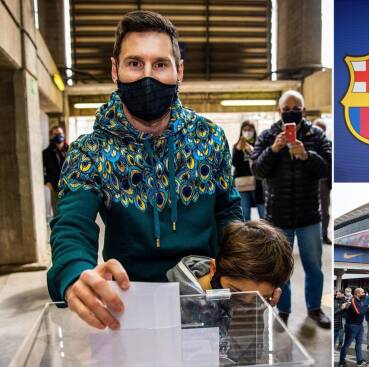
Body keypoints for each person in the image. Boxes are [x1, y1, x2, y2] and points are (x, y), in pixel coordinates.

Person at [47, 11, 243, 330]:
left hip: (206, 294)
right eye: (135, 63)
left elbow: (227, 211)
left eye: (160, 64)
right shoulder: (90, 151)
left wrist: (244, 266)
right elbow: (72, 225)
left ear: (179, 71)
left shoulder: (209, 138)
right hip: (127, 305)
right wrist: (74, 273)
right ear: (115, 69)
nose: (148, 76)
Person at [250, 90, 332, 328]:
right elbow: (257, 169)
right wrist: (274, 150)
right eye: (286, 109)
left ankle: (315, 309)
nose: (290, 113)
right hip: (278, 216)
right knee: (281, 269)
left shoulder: (316, 136)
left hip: (309, 216)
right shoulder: (268, 136)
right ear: (279, 111)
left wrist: (307, 156)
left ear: (304, 111)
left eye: (295, 108)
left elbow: (328, 168)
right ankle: (283, 309)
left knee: (314, 267)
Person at [166, 221, 291, 302]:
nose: (246, 309)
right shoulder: (173, 302)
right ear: (214, 268)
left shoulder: (256, 298)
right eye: (234, 292)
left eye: (258, 299)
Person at [231, 120, 264, 221]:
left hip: (257, 182)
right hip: (242, 183)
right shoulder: (237, 146)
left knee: (262, 209)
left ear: (254, 131)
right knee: (245, 211)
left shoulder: (259, 144)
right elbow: (234, 163)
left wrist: (252, 151)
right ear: (241, 131)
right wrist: (238, 150)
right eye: (245, 130)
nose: (247, 132)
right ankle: (247, 235)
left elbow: (261, 161)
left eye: (250, 130)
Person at [312, 118, 332, 245]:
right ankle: (313, 237)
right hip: (309, 182)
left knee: (324, 210)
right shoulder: (305, 143)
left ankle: (324, 234)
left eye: (321, 129)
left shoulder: (328, 144)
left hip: (324, 182)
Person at [42, 126, 68, 217]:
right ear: (52, 136)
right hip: (56, 187)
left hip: (70, 187)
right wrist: (46, 181)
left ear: (63, 135)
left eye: (60, 134)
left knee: (71, 212)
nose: (58, 136)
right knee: (58, 214)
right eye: (56, 134)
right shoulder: (46, 153)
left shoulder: (71, 150)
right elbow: (41, 169)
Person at [338, 288, 368, 367]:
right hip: (352, 326)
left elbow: (361, 310)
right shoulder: (353, 301)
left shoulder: (359, 301)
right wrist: (368, 307)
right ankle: (341, 362)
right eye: (362, 292)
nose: (364, 294)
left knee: (359, 344)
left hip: (359, 325)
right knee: (347, 344)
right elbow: (359, 312)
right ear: (357, 293)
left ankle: (359, 361)